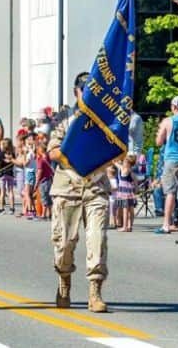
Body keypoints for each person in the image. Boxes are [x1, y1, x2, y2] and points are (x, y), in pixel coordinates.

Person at [48, 76, 111, 313]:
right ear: (77, 91)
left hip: (96, 188)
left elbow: (117, 148)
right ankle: (64, 280)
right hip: (68, 187)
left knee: (97, 239)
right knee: (64, 243)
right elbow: (53, 151)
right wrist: (78, 148)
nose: (89, 93)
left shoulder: (106, 120)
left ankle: (95, 291)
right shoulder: (65, 119)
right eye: (85, 89)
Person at [154, 95, 178, 234]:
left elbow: (159, 142)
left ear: (174, 107)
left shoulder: (168, 121)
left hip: (171, 159)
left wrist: (160, 134)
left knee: (170, 192)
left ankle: (166, 224)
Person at [114, 155, 137, 232]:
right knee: (131, 210)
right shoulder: (131, 171)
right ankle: (130, 226)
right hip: (129, 192)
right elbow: (135, 182)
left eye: (124, 161)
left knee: (125, 210)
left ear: (128, 163)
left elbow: (115, 163)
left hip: (124, 192)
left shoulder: (125, 169)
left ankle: (125, 226)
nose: (123, 162)